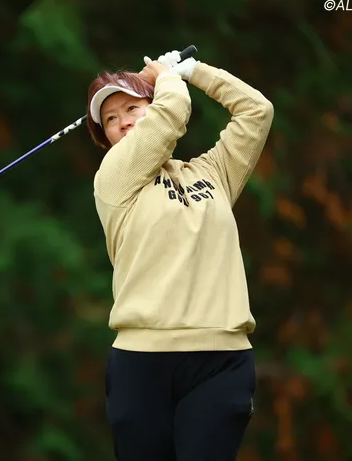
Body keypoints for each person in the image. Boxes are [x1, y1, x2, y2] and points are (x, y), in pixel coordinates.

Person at [86, 50, 274, 460]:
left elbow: (256, 111)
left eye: (132, 107)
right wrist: (165, 76)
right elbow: (172, 114)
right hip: (141, 363)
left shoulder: (213, 174)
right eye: (111, 119)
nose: (123, 122)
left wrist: (193, 71)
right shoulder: (114, 179)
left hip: (221, 361)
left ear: (151, 106)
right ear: (106, 137)